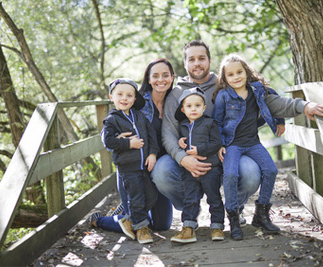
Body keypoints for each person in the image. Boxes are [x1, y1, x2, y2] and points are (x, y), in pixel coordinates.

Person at [212, 53, 323, 240]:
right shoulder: (223, 96)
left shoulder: (257, 90)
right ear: (224, 78)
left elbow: (276, 101)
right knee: (230, 175)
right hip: (232, 144)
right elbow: (217, 122)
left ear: (246, 72)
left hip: (252, 143)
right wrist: (219, 144)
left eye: (239, 72)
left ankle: (261, 214)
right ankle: (234, 218)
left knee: (270, 170)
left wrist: (282, 119)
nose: (236, 77)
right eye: (230, 74)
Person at [151, 40, 262, 224]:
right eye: (191, 59)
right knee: (161, 171)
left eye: (201, 58)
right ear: (185, 63)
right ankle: (190, 204)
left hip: (226, 153)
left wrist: (301, 107)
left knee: (250, 172)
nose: (197, 63)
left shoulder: (225, 85)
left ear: (209, 61)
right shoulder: (176, 94)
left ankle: (234, 208)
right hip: (189, 156)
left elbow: (257, 102)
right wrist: (182, 158)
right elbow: (168, 133)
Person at [89, 59, 175, 234]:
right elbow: (109, 132)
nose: (161, 79)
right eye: (155, 76)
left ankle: (129, 215)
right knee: (138, 219)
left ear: (172, 78)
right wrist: (121, 140)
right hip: (133, 167)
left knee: (161, 225)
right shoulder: (138, 102)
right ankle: (102, 221)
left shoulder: (175, 101)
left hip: (158, 167)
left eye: (165, 75)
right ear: (148, 79)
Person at [101, 77, 159, 244]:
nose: (124, 98)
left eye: (129, 95)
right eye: (120, 94)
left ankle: (129, 220)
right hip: (127, 166)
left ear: (134, 99)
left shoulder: (140, 116)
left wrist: (153, 154)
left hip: (144, 165)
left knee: (151, 194)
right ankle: (141, 228)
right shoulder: (111, 120)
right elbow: (108, 141)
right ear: (112, 97)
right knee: (136, 197)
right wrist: (128, 143)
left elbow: (151, 135)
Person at [170, 87, 225, 243]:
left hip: (210, 168)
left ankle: (217, 226)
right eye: (189, 106)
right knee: (190, 198)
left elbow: (216, 143)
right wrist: (180, 142)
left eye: (197, 105)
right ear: (183, 109)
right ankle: (188, 227)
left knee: (214, 198)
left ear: (204, 107)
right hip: (190, 171)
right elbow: (182, 142)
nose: (193, 109)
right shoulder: (182, 125)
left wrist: (199, 149)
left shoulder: (209, 123)